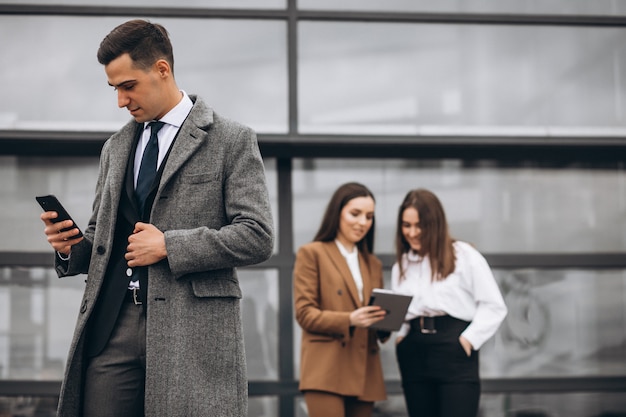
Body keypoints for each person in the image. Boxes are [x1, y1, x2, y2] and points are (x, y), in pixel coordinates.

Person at [39, 19, 274, 417]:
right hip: (113, 325)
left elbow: (257, 236)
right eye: (114, 88)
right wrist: (71, 248)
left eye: (128, 86)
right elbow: (102, 238)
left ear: (162, 69)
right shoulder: (114, 148)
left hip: (191, 332)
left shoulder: (231, 140)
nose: (120, 100)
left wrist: (170, 244)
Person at [392, 189, 507, 417]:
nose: (412, 233)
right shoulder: (401, 266)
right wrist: (401, 337)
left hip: (454, 349)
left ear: (435, 225)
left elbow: (494, 305)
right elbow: (403, 312)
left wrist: (468, 339)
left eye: (419, 226)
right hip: (414, 352)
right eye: (406, 225)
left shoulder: (464, 256)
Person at [293, 182, 388, 417]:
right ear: (338, 212)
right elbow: (305, 314)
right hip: (326, 368)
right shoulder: (312, 253)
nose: (362, 222)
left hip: (365, 368)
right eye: (355, 214)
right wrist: (351, 319)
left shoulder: (372, 263)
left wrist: (386, 321)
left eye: (369, 216)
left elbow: (374, 317)